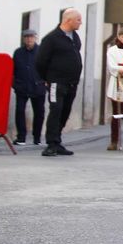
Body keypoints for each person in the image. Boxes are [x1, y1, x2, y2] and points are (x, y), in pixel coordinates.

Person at [34, 8, 84, 157]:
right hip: (57, 82)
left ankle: (58, 140)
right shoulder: (51, 39)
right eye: (78, 20)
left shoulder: (74, 37)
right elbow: (40, 61)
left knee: (65, 111)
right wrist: (47, 79)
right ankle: (50, 144)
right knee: (56, 110)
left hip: (72, 83)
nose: (80, 23)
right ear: (68, 20)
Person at [12, 29, 47, 146]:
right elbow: (13, 69)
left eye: (31, 37)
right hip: (22, 86)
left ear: (35, 38)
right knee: (20, 111)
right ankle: (21, 137)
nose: (29, 39)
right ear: (23, 39)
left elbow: (48, 67)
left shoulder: (42, 51)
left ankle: (37, 138)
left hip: (38, 86)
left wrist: (46, 81)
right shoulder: (18, 52)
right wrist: (14, 84)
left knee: (39, 112)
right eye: (27, 37)